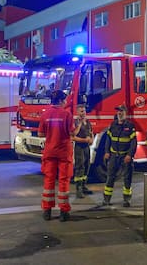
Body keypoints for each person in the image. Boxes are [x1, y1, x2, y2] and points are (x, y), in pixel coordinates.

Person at [38, 90, 75, 222]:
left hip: (50, 151)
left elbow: (41, 134)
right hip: (64, 152)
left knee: (49, 180)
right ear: (60, 101)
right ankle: (63, 212)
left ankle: (47, 211)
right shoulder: (67, 114)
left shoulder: (45, 115)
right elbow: (72, 133)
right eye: (64, 100)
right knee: (63, 181)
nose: (65, 102)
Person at [102, 104, 137, 207]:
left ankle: (127, 200)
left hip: (125, 156)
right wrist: (107, 152)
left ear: (125, 113)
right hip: (114, 156)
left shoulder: (130, 126)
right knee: (110, 177)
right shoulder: (113, 125)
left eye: (121, 111)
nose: (119, 113)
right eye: (118, 111)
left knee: (127, 178)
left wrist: (129, 155)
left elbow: (133, 142)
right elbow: (108, 139)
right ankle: (106, 199)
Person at [73, 104, 94, 198]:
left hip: (86, 147)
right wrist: (80, 124)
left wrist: (92, 140)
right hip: (79, 147)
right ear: (77, 112)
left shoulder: (88, 122)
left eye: (84, 111)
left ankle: (84, 186)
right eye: (81, 111)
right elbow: (73, 136)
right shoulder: (75, 122)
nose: (83, 113)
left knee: (86, 166)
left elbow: (91, 132)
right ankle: (78, 189)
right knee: (79, 167)